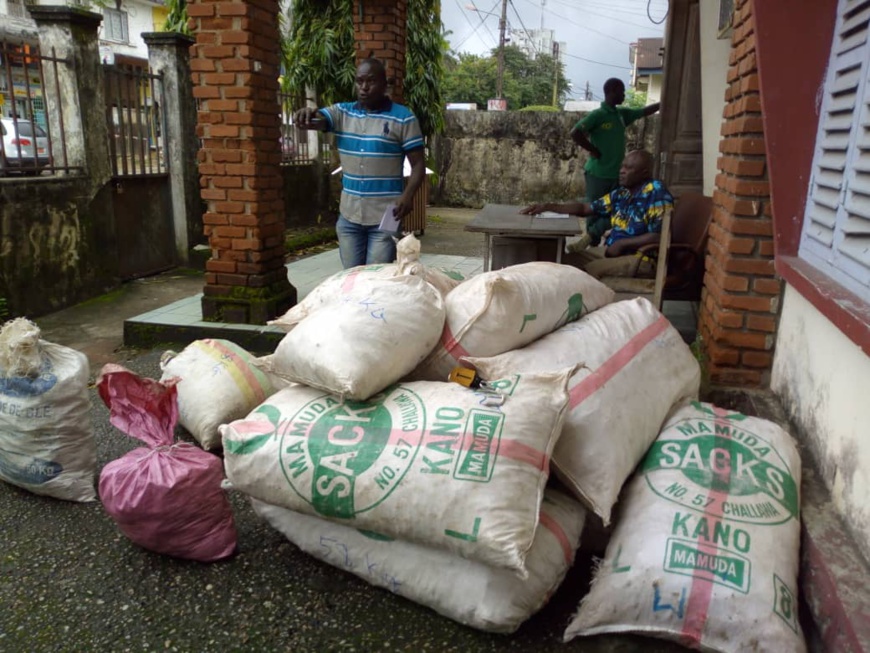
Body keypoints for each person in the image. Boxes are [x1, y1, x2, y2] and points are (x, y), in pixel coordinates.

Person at [294, 58, 426, 268]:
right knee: (352, 278)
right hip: (349, 217)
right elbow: (320, 119)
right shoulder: (342, 113)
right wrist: (308, 115)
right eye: (359, 81)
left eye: (371, 81)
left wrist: (408, 196)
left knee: (375, 279)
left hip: (388, 215)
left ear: (385, 84)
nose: (364, 87)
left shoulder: (403, 118)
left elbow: (418, 164)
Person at [521, 150, 673, 279]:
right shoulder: (623, 192)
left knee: (584, 272)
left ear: (644, 173)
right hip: (612, 251)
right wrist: (547, 206)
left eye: (629, 168)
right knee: (564, 263)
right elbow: (585, 208)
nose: (622, 171)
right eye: (622, 166)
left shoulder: (656, 191)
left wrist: (622, 244)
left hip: (641, 259)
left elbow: (660, 236)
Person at [570, 78, 660, 248]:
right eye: (622, 91)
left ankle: (592, 236)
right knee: (595, 210)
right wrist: (593, 149)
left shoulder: (621, 114)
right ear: (612, 91)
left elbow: (643, 111)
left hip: (618, 175)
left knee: (619, 209)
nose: (624, 95)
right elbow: (575, 132)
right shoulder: (598, 115)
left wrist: (662, 104)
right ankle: (591, 245)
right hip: (598, 173)